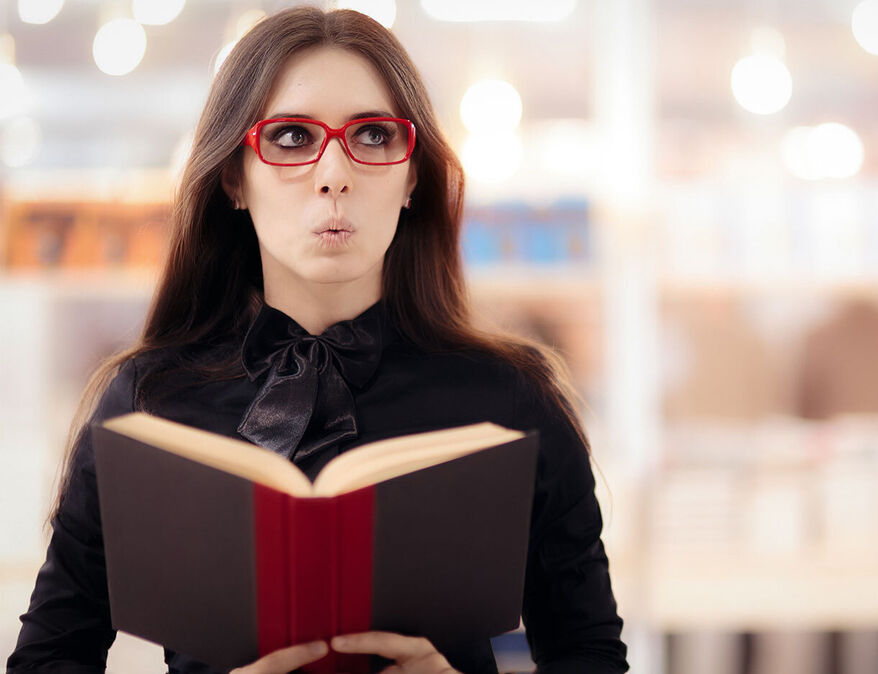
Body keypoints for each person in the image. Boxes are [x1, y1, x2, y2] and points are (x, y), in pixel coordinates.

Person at [7, 7, 627, 674]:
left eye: (373, 134)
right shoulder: (147, 403)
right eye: (294, 137)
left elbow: (591, 656)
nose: (334, 173)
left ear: (412, 175)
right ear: (233, 178)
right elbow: (47, 662)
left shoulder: (512, 398)